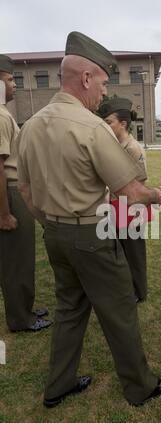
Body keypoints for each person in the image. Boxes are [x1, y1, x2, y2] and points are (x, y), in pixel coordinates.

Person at [16, 31, 161, 407]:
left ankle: (59, 384)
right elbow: (131, 193)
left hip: (54, 232)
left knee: (69, 309)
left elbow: (24, 191)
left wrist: (50, 223)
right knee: (119, 309)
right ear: (86, 78)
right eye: (103, 83)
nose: (105, 93)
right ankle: (139, 386)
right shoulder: (93, 127)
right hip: (92, 232)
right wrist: (160, 196)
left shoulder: (31, 125)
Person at [0, 54, 51, 332]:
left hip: (11, 191)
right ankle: (21, 318)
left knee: (20, 258)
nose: (14, 85)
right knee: (16, 261)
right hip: (8, 192)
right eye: (9, 80)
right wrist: (5, 212)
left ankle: (24, 308)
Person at [98, 97, 148, 303]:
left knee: (134, 253)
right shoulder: (116, 145)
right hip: (115, 205)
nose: (105, 126)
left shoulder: (132, 148)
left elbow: (141, 180)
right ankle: (126, 287)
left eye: (109, 122)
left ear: (123, 124)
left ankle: (138, 292)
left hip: (130, 207)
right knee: (119, 250)